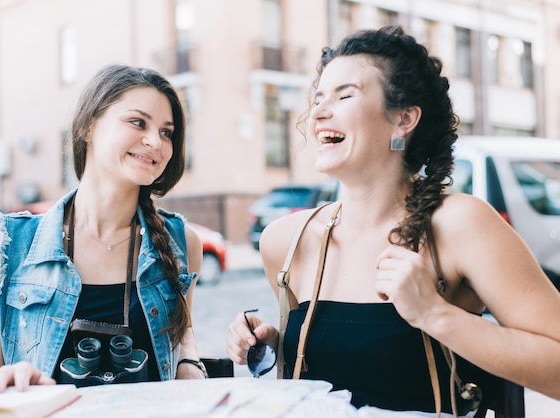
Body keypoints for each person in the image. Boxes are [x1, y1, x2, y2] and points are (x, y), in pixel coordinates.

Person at [227, 25, 560, 414]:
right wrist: (275, 343)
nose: (318, 111)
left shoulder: (460, 225)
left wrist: (435, 314)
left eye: (345, 95)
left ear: (404, 119)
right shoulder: (286, 241)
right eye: (318, 98)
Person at [0, 64, 206, 392]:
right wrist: (8, 382)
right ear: (88, 127)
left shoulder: (183, 243)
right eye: (138, 122)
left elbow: (182, 335)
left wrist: (190, 363)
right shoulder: (10, 245)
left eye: (167, 132)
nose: (155, 141)